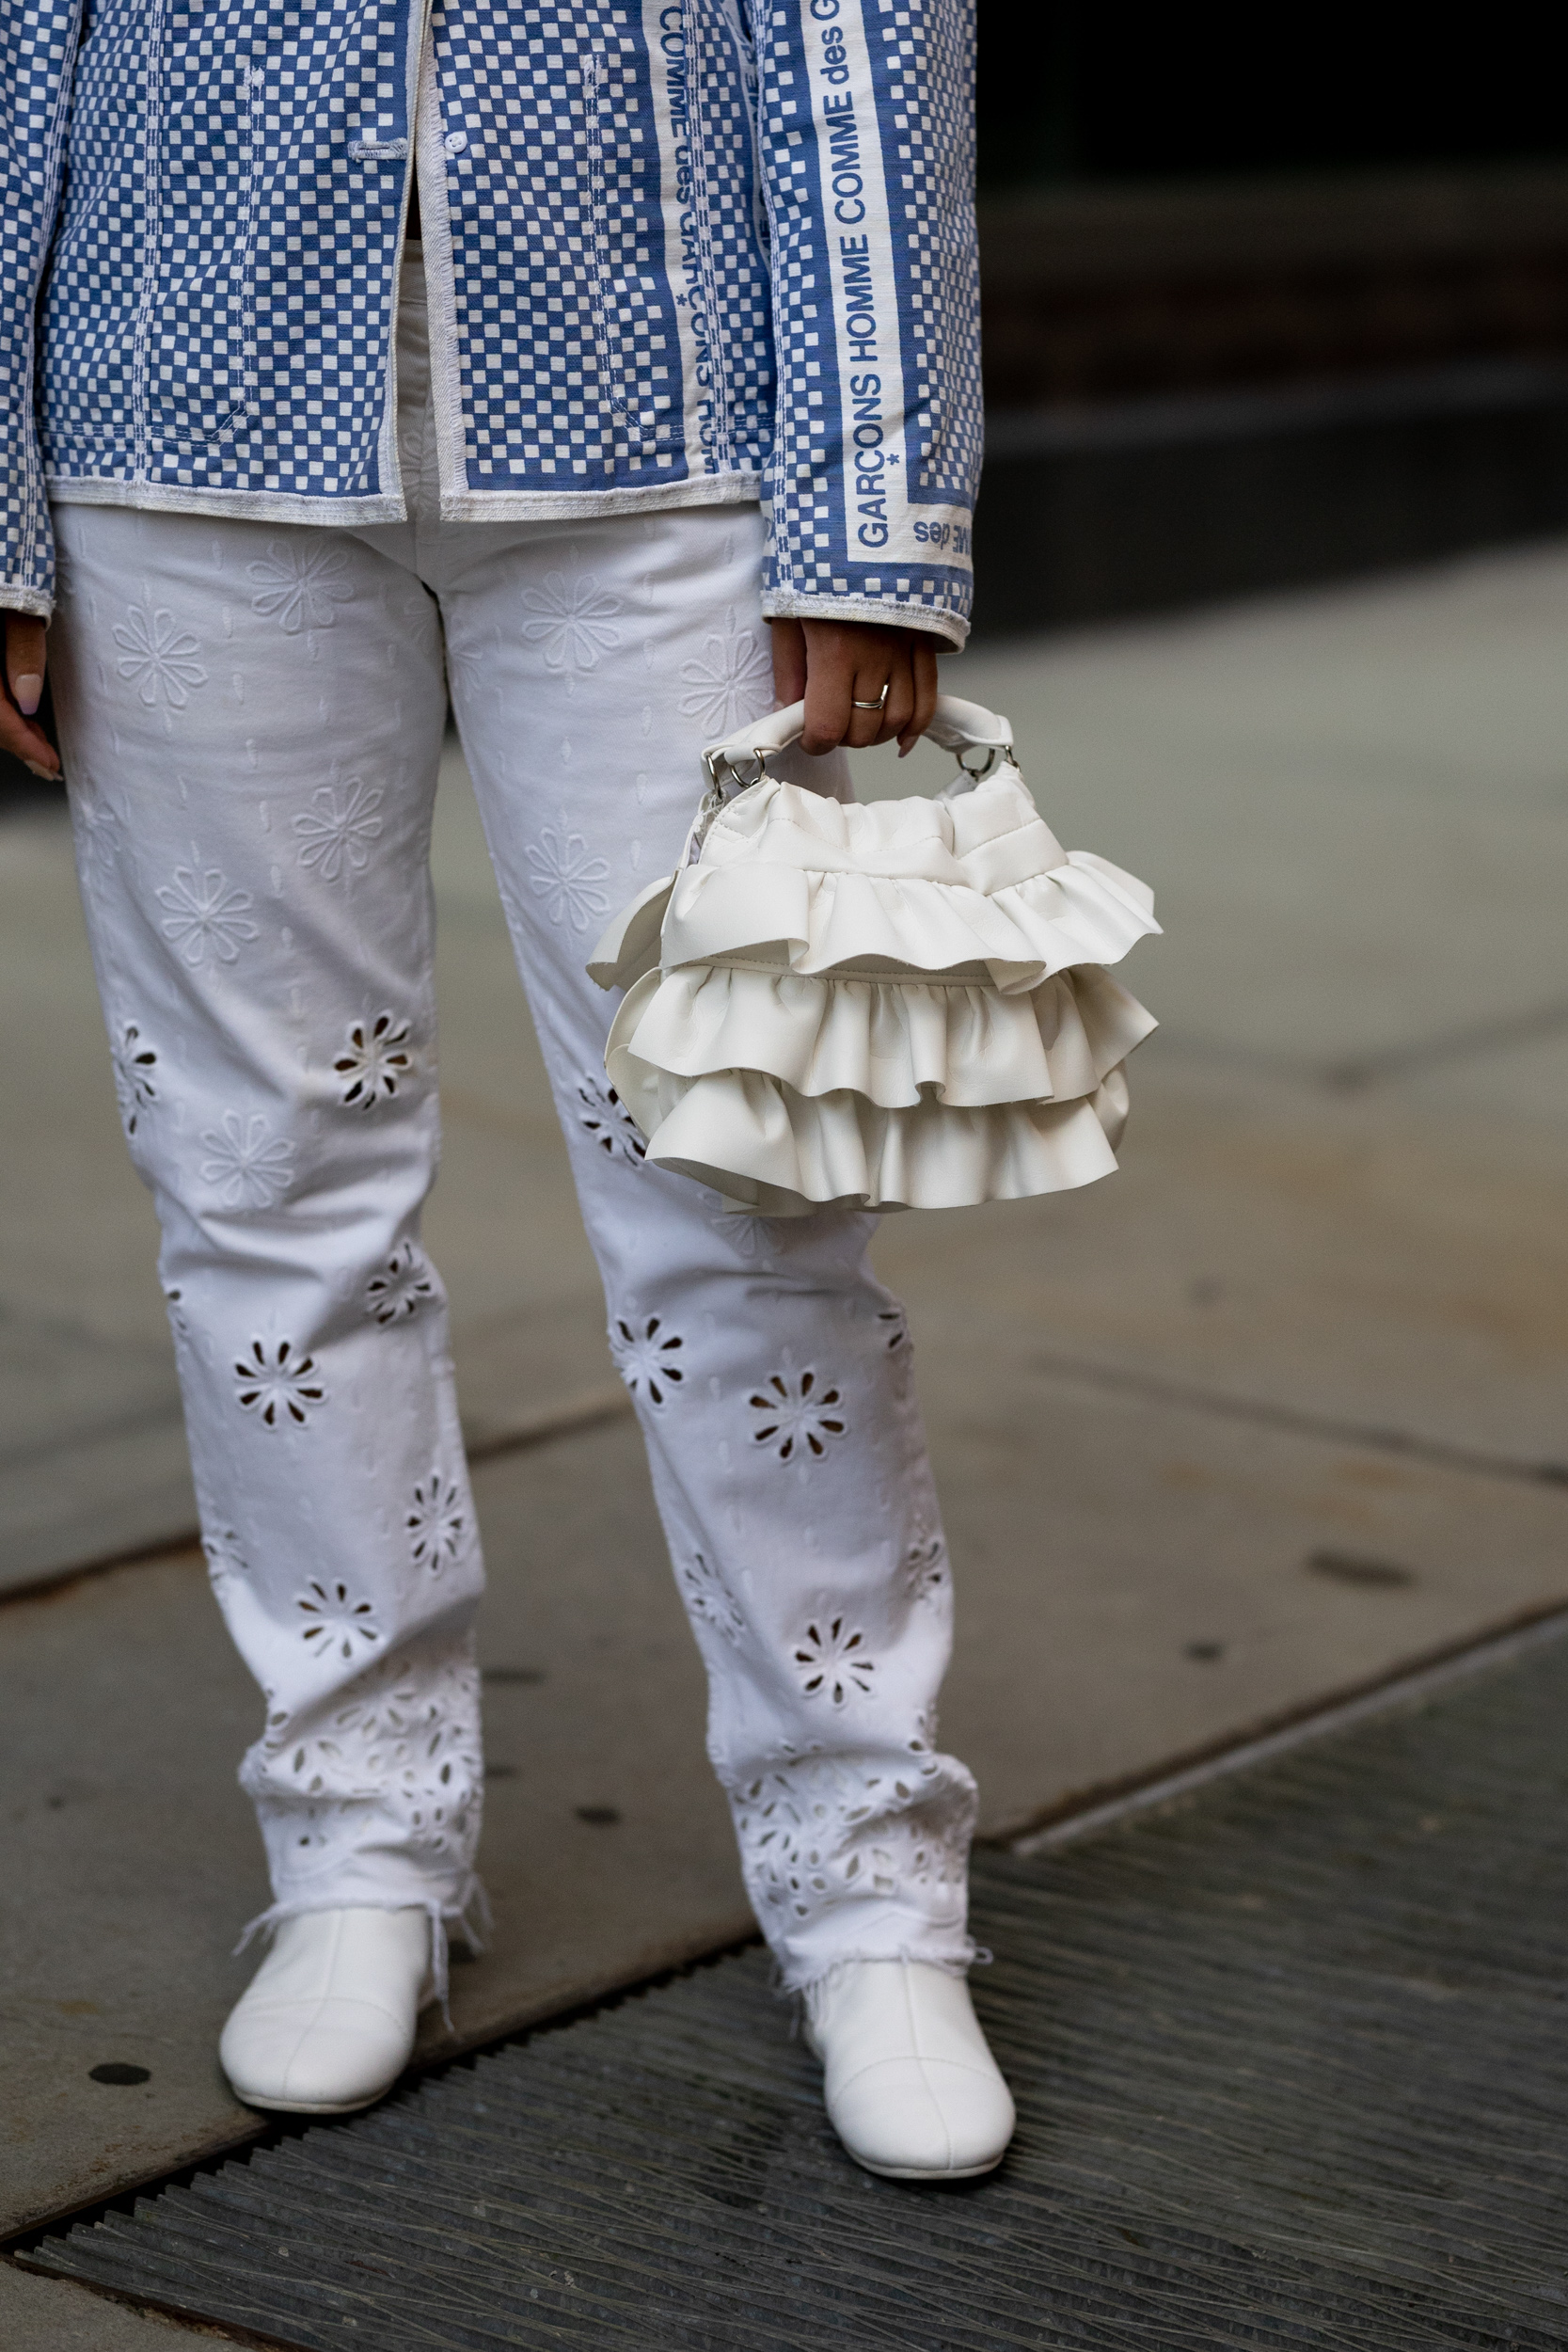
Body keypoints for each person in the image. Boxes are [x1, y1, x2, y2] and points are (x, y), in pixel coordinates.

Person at [0, 0, 1012, 2180]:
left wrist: (875, 501)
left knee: (741, 1180)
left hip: (670, 421)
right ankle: (358, 1834)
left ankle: (868, 1867)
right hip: (179, 403)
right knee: (263, 1176)